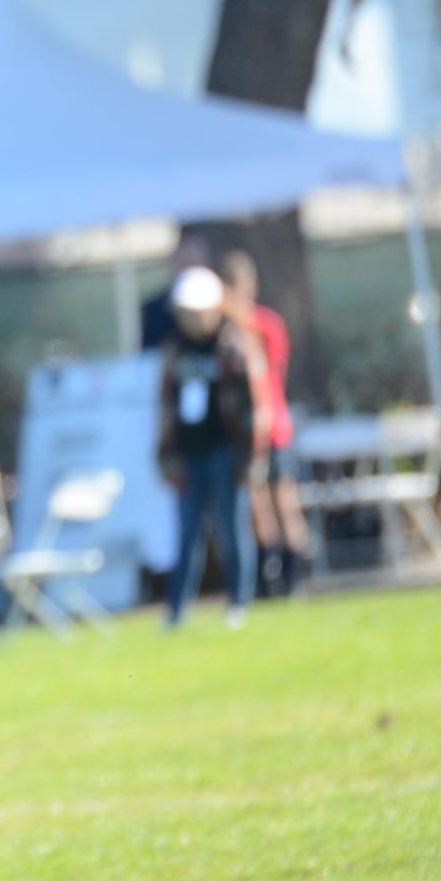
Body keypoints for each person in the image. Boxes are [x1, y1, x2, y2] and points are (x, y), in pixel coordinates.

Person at [157, 267, 261, 629]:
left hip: (224, 453)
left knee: (232, 532)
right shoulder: (175, 352)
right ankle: (176, 610)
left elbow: (251, 409)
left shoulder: (232, 348)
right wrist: (166, 457)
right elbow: (165, 408)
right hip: (189, 455)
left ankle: (238, 602)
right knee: (187, 536)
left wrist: (249, 457)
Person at [221, 250, 310, 597]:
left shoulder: (265, 323)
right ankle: (265, 575)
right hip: (245, 435)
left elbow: (271, 371)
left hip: (273, 428)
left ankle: (294, 574)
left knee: (284, 500)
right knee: (257, 506)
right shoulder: (224, 331)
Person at [139, 229, 212, 352]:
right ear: (174, 259)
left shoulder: (220, 304)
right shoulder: (154, 309)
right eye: (186, 261)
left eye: (194, 261)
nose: (190, 271)